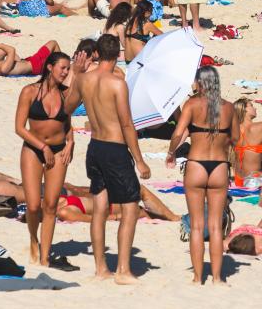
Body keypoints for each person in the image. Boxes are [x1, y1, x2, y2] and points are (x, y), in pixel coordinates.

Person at [64, 35, 150, 285]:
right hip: (115, 149)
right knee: (131, 206)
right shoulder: (117, 83)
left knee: (100, 208)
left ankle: (101, 267)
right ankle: (123, 269)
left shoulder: (84, 79)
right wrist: (140, 160)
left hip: (95, 147)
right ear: (118, 55)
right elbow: (126, 123)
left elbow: (67, 108)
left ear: (96, 54)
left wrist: (76, 73)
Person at [165, 66, 233, 284]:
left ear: (200, 83)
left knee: (196, 225)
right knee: (215, 226)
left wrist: (171, 152)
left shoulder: (192, 104)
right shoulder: (229, 108)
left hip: (196, 165)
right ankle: (217, 278)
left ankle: (197, 278)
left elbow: (177, 133)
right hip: (220, 167)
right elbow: (238, 139)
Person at [14, 50, 78, 271]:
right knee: (33, 205)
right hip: (33, 149)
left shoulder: (66, 94)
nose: (66, 72)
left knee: (50, 205)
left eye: (68, 68)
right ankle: (34, 239)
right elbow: (19, 128)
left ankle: (44, 257)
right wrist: (43, 146)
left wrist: (71, 143)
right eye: (63, 68)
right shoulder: (29, 92)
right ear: (50, 67)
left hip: (59, 151)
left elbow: (67, 124)